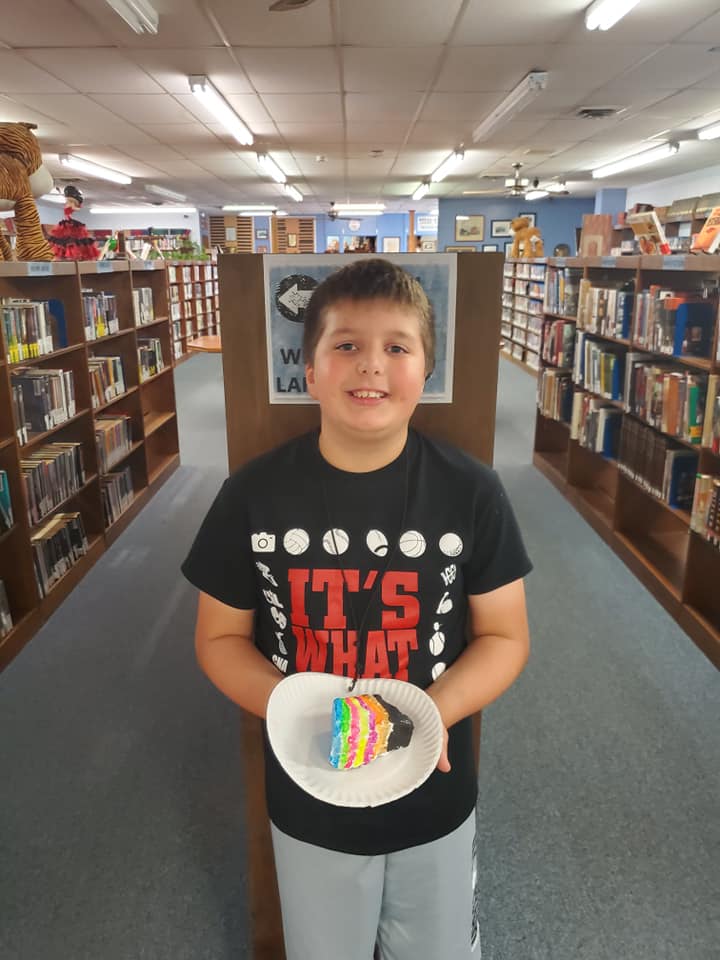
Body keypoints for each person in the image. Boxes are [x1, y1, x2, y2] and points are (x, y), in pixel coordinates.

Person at [181, 258, 532, 960]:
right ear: (308, 372)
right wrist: (296, 709)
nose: (371, 364)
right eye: (346, 345)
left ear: (425, 373)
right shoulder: (251, 496)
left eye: (397, 347)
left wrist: (433, 714)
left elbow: (505, 635)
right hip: (311, 788)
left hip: (434, 784)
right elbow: (218, 638)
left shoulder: (471, 492)